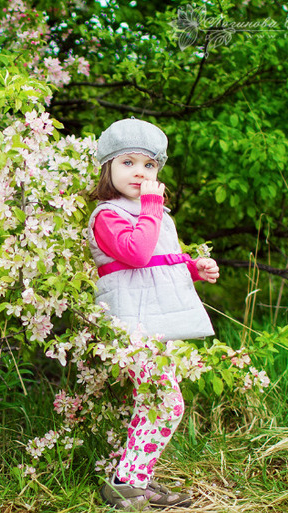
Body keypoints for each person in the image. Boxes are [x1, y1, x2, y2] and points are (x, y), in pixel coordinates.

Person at [87, 118, 220, 511]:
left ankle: (134, 482)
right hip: (130, 323)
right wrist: (151, 206)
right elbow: (136, 253)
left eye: (149, 166)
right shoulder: (107, 215)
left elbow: (158, 261)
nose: (140, 173)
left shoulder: (155, 213)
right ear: (107, 168)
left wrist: (193, 266)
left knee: (154, 402)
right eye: (127, 163)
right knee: (165, 402)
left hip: (155, 322)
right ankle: (126, 486)